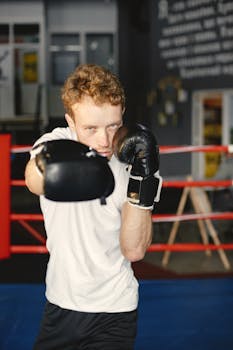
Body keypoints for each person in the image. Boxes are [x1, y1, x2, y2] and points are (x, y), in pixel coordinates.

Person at [25, 63, 162, 350]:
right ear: (70, 122)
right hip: (61, 304)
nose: (104, 140)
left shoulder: (137, 160)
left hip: (115, 309)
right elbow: (34, 181)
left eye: (112, 126)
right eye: (90, 128)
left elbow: (134, 250)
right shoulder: (55, 143)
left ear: (122, 114)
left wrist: (142, 176)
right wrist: (75, 170)